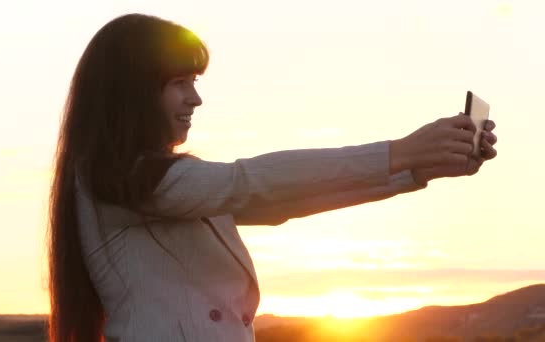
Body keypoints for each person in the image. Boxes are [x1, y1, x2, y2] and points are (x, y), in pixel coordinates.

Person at [46, 13, 498, 342]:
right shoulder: (119, 178)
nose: (196, 99)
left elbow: (278, 201)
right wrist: (400, 151)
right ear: (133, 92)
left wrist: (416, 170)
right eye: (180, 82)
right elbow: (249, 182)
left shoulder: (153, 181)